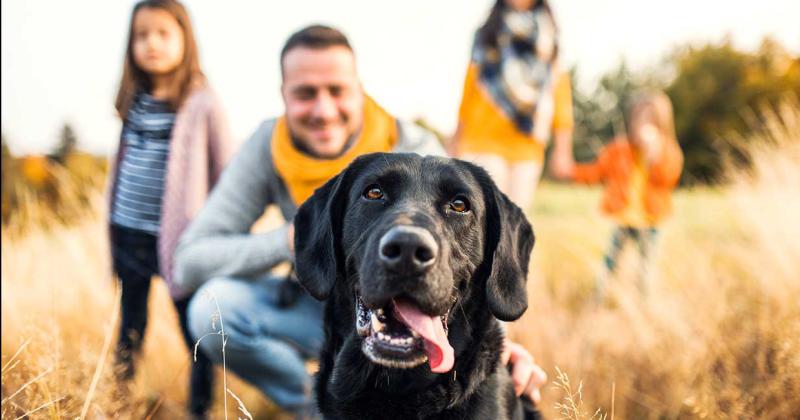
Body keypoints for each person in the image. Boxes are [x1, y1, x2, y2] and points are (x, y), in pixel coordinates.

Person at [175, 25, 547, 419]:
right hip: (323, 296)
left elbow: (467, 253)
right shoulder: (267, 147)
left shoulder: (416, 146)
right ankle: (313, 404)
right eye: (305, 93)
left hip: (425, 304)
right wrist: (295, 240)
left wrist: (498, 347)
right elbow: (190, 260)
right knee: (211, 306)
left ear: (359, 89)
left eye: (336, 91)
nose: (323, 110)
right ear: (283, 95)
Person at [107, 0, 236, 417]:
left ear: (185, 39)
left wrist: (219, 233)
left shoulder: (203, 101)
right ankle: (118, 400)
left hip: (182, 242)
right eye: (142, 35)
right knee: (130, 326)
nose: (152, 44)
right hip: (128, 232)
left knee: (195, 328)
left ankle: (202, 408)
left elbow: (228, 174)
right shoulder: (133, 98)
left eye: (163, 34)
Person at [451, 0, 574, 211]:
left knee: (515, 220)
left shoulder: (548, 38)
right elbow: (470, 87)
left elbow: (559, 93)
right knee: (486, 216)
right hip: (482, 140)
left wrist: (563, 148)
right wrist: (456, 139)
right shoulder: (487, 34)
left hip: (527, 145)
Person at [559, 91, 683, 299]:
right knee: (610, 262)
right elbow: (596, 172)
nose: (644, 125)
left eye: (650, 119)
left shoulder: (667, 151)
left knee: (646, 266)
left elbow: (669, 179)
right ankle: (598, 298)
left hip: (650, 222)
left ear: (662, 123)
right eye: (640, 119)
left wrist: (655, 156)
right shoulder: (619, 150)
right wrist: (570, 171)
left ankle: (644, 302)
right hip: (624, 219)